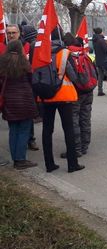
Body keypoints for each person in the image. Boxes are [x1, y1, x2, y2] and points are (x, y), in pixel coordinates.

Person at [40, 28, 85, 173]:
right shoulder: (65, 52)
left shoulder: (40, 52)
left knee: (47, 130)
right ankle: (72, 164)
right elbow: (72, 75)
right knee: (68, 129)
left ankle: (49, 164)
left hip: (45, 95)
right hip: (63, 96)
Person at [0, 40, 38, 169]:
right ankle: (20, 160)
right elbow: (32, 80)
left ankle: (15, 158)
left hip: (9, 101)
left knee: (13, 130)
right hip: (25, 100)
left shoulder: (2, 62)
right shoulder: (24, 62)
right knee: (23, 131)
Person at [61, 34, 97, 158]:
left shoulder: (67, 55)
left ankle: (76, 149)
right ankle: (85, 145)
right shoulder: (84, 54)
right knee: (85, 118)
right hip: (88, 91)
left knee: (74, 121)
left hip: (75, 92)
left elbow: (71, 75)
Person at [92, 27, 107, 97]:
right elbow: (106, 50)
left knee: (100, 76)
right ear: (100, 32)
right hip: (104, 60)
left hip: (98, 60)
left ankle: (100, 90)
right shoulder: (101, 40)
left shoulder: (95, 40)